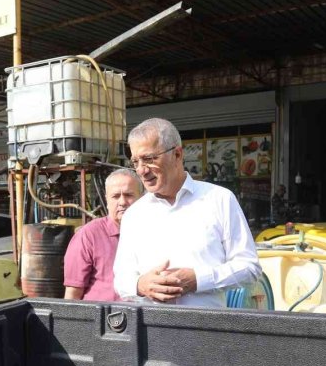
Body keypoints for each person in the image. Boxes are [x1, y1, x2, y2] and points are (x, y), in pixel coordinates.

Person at [113, 118, 262, 308]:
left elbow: (249, 268)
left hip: (205, 332)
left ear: (177, 154)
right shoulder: (134, 215)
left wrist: (198, 280)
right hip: (151, 332)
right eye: (135, 161)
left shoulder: (219, 199)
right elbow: (121, 279)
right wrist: (140, 285)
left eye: (149, 159)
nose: (141, 170)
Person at [63, 169, 143, 301]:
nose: (122, 202)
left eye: (129, 195)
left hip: (143, 316)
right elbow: (72, 294)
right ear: (106, 200)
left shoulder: (152, 232)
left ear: (142, 198)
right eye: (116, 196)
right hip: (100, 318)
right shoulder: (88, 236)